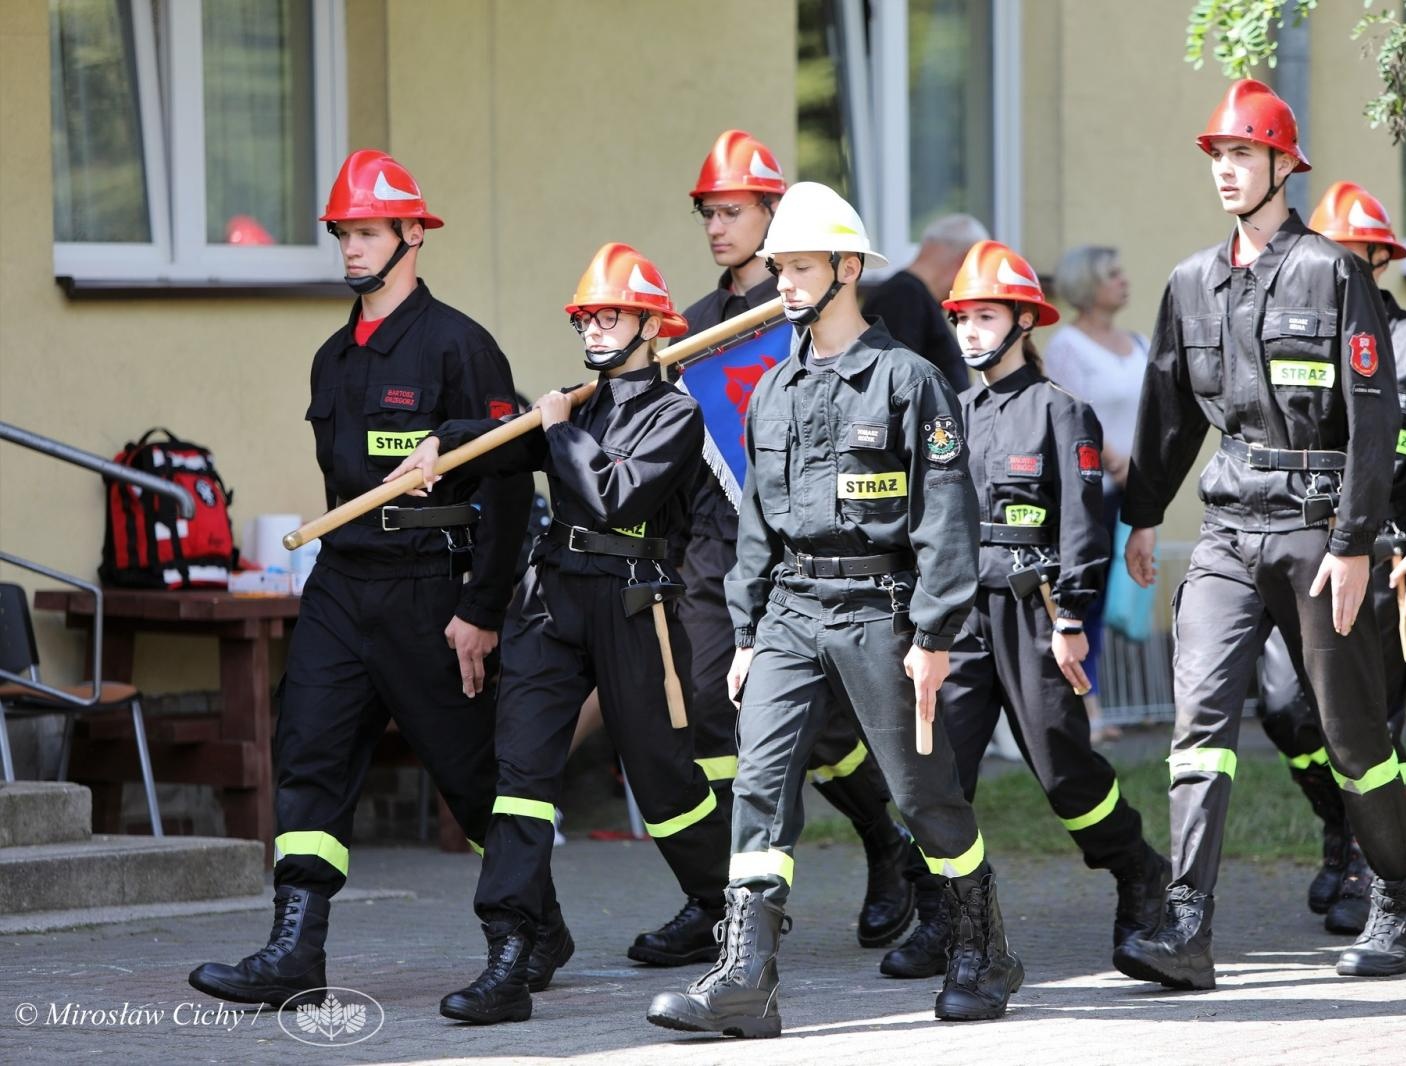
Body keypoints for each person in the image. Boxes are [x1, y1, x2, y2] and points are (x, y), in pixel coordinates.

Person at [647, 182, 1022, 1038]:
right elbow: (758, 528)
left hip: (881, 609)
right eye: (778, 266)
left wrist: (934, 635)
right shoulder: (773, 389)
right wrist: (745, 632)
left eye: (802, 266)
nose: (783, 281)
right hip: (789, 611)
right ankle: (745, 980)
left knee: (923, 793)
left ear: (847, 270)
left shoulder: (907, 381)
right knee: (761, 785)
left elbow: (944, 517)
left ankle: (981, 945)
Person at [188, 149, 532, 1007]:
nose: (349, 247)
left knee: (473, 774)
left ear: (412, 235)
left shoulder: (461, 345)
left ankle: (526, 936)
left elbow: (515, 475)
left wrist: (482, 610)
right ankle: (294, 950)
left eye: (366, 231)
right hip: (344, 583)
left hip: (432, 585)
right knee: (308, 749)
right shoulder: (333, 357)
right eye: (343, 232)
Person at [1114, 80, 1406, 990]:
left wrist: (1353, 541)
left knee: (1351, 735)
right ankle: (1186, 927)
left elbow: (1374, 423)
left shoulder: (1332, 273)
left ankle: (1398, 908)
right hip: (1225, 532)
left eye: (1242, 155)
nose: (1225, 170)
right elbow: (1169, 416)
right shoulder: (1189, 283)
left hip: (1316, 531)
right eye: (1217, 156)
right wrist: (1141, 514)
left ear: (1284, 165)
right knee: (1199, 726)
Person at [392, 243, 733, 1023]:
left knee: (665, 782)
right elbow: (504, 444)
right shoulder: (579, 406)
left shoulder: (674, 414)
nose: (596, 327)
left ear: (650, 324)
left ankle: (722, 904)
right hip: (553, 600)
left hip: (632, 604)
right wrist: (446, 440)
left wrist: (557, 429)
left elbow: (615, 495)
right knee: (521, 771)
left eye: (611, 314)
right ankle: (515, 948)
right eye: (587, 316)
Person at [881, 239, 1165, 982]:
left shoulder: (1061, 412)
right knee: (937, 773)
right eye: (963, 318)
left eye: (986, 316)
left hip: (1036, 613)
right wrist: (925, 621)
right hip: (965, 617)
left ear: (1023, 322)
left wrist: (1071, 619)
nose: (971, 331)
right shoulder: (954, 413)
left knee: (1062, 770)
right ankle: (947, 917)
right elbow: (934, 523)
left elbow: (1082, 523)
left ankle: (1139, 875)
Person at [675, 130, 916, 952]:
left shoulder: (805, 314)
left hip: (812, 546)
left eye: (732, 211)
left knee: (820, 729)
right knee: (716, 713)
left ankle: (887, 842)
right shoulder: (692, 329)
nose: (716, 227)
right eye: (708, 213)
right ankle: (718, 897)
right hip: (717, 541)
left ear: (774, 216)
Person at [1252, 181, 1406, 933]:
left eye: (1358, 254)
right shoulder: (1293, 341)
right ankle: (1337, 823)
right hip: (1300, 554)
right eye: (1333, 253)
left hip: (1385, 559)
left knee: (1369, 727)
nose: (1343, 266)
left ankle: (1369, 865)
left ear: (1380, 261)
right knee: (1287, 710)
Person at [1043, 245, 1150, 736]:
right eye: (1112, 274)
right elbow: (1073, 418)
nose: (1123, 280)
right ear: (1087, 286)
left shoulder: (1140, 342)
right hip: (1095, 495)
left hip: (1138, 493)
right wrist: (1117, 465)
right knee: (1088, 600)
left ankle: (1093, 708)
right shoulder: (1067, 346)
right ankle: (1087, 711)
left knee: (1119, 602)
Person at [862, 213, 991, 391]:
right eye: (979, 268)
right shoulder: (902, 297)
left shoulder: (911, 296)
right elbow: (895, 384)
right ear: (965, 260)